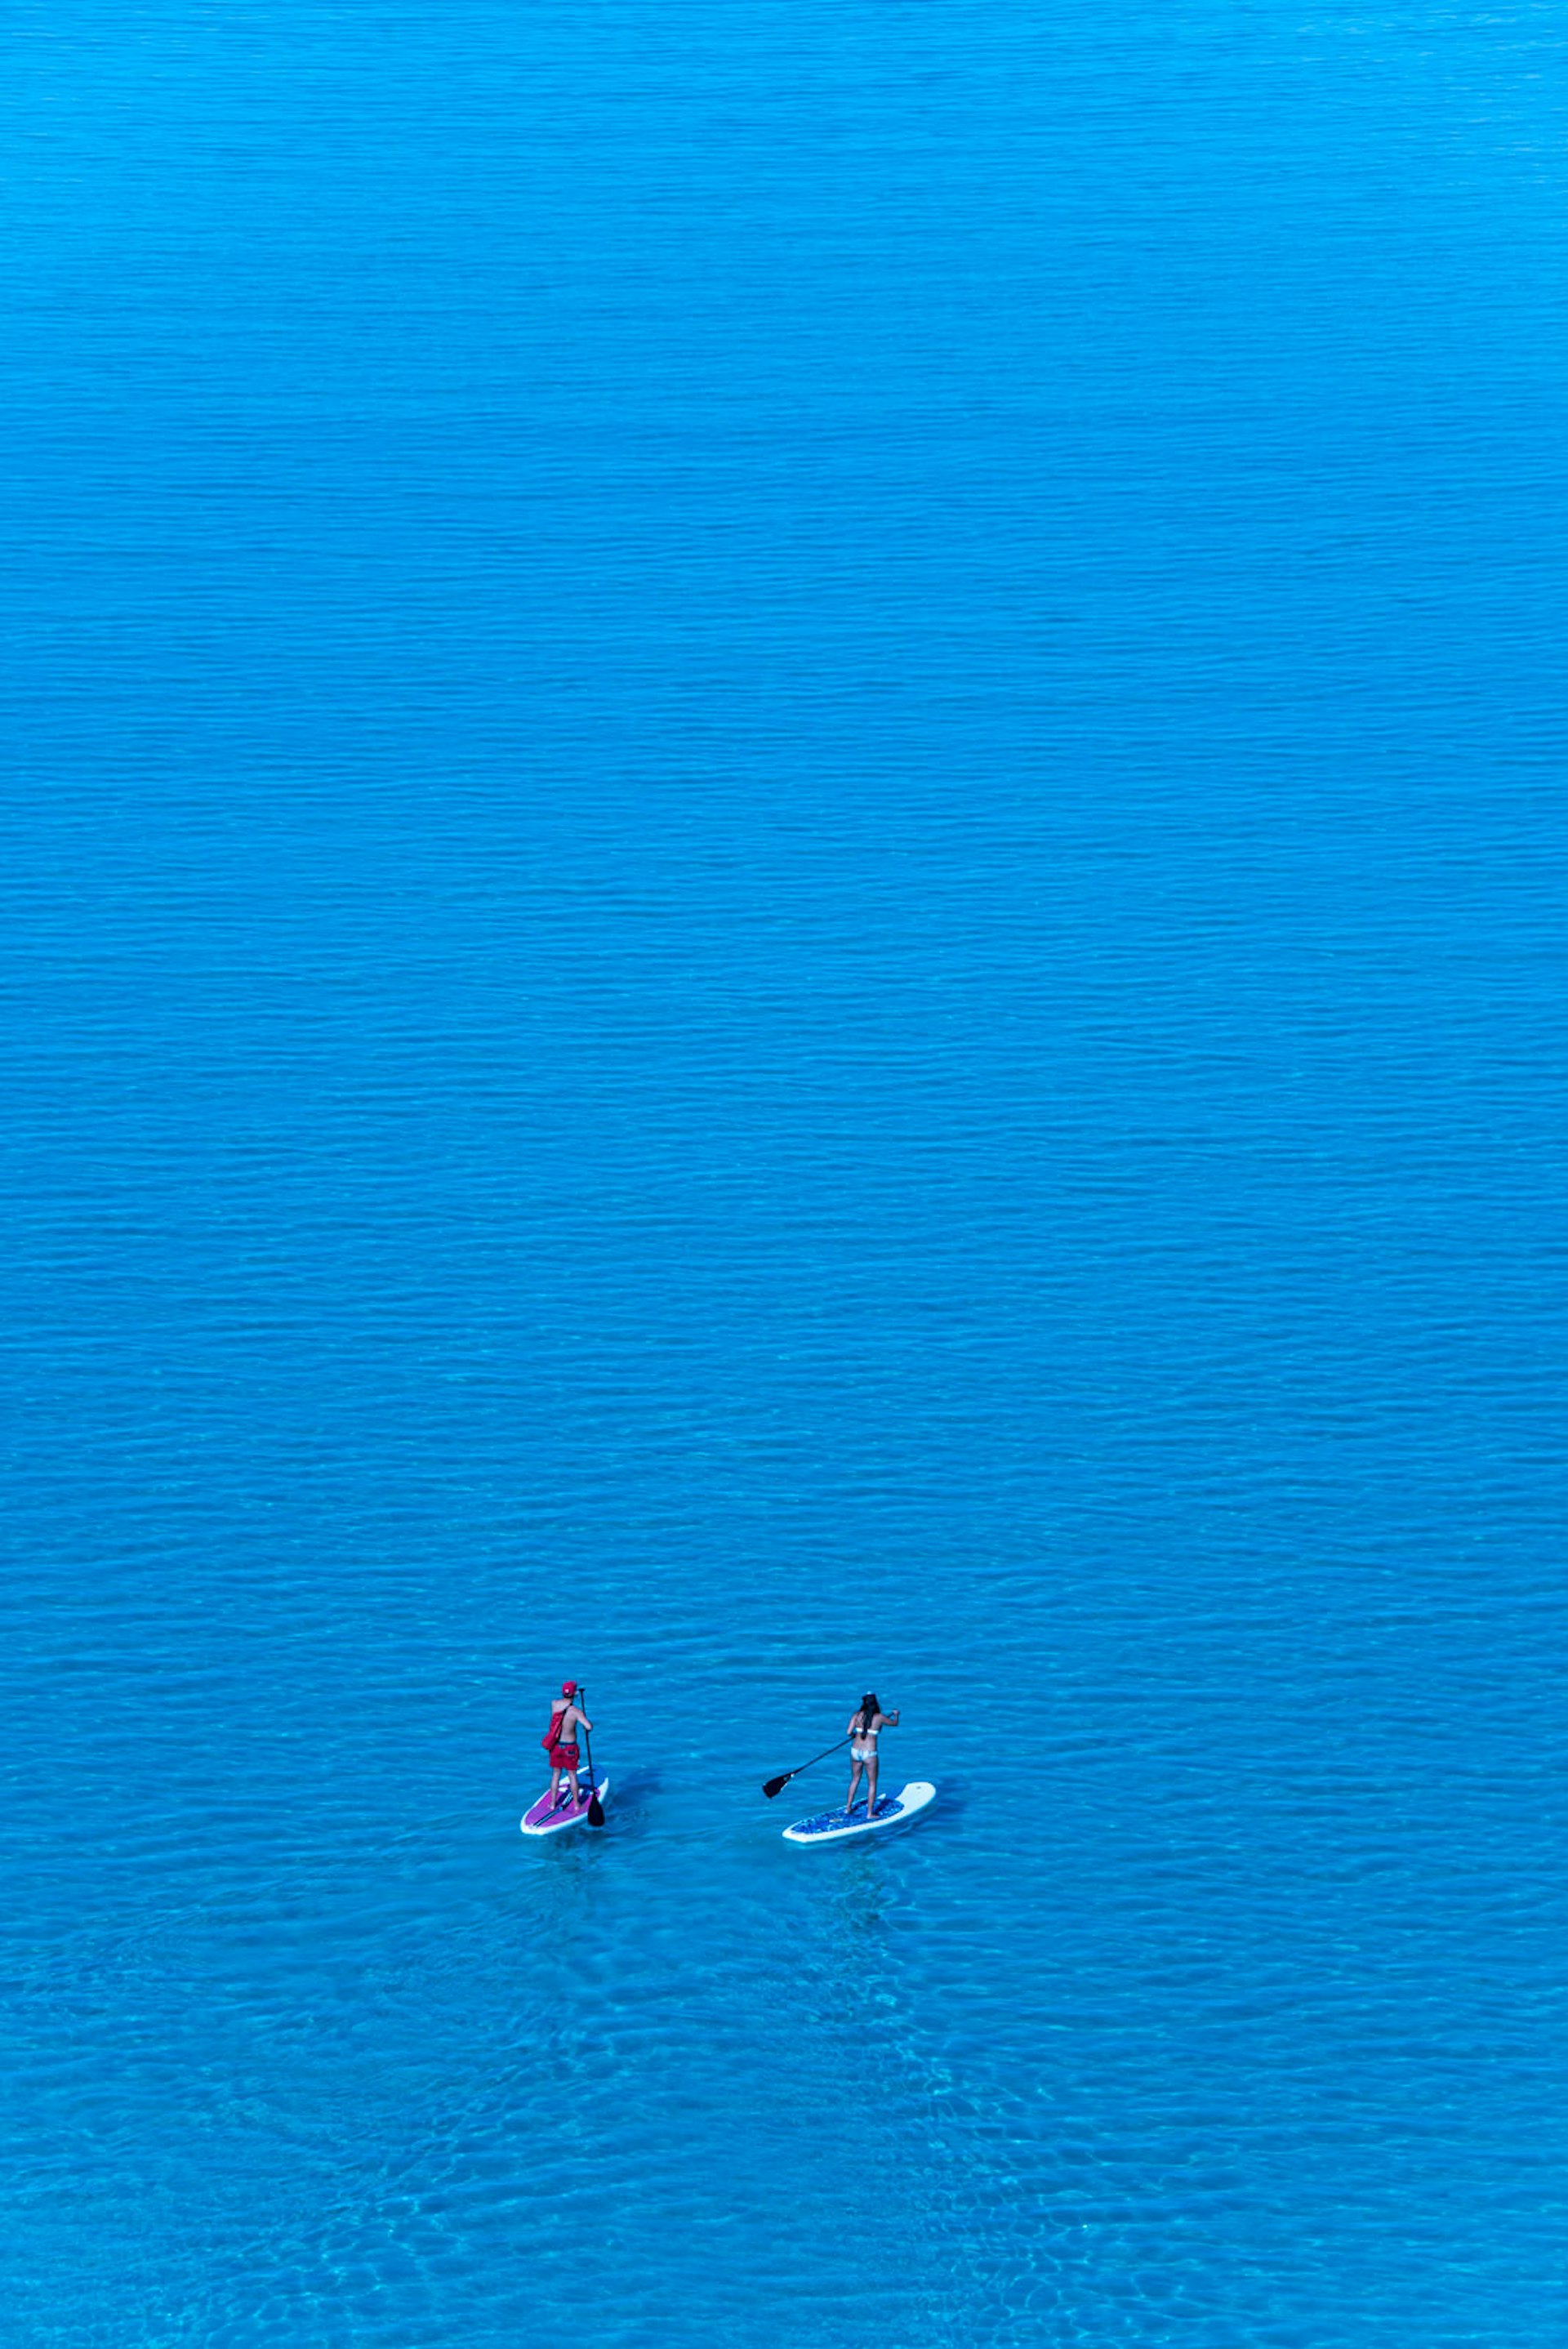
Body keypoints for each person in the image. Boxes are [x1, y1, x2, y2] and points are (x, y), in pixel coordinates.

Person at [844, 1692, 899, 1820]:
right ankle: (869, 1814)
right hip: (869, 1753)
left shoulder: (856, 1715)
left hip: (855, 1751)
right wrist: (896, 1715)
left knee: (855, 1779)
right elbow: (894, 1724)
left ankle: (848, 1808)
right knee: (872, 1783)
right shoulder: (879, 1717)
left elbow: (848, 1732)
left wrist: (855, 1735)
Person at [544, 1680, 593, 1810]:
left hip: (555, 1746)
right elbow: (588, 1726)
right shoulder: (576, 1712)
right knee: (572, 1775)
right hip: (570, 1748)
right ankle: (577, 1805)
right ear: (575, 1693)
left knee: (556, 1774)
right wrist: (586, 1727)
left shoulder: (554, 1704)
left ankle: (553, 1804)